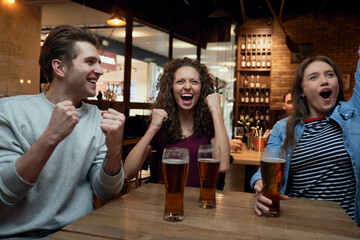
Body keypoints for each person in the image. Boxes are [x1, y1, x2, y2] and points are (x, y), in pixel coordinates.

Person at [0, 25, 125, 238]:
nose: (100, 70)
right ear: (59, 68)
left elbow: (105, 191)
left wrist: (114, 152)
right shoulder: (11, 111)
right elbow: (4, 193)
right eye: (89, 62)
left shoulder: (97, 117)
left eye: (99, 62)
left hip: (79, 232)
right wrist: (51, 136)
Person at [251, 54, 360, 225]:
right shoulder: (283, 127)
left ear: (337, 84)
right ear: (301, 91)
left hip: (346, 227)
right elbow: (266, 167)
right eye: (314, 77)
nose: (324, 81)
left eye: (330, 75)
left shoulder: (353, 114)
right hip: (297, 224)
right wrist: (261, 187)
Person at [124, 57, 230, 188]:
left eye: (194, 82)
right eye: (180, 81)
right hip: (165, 200)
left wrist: (216, 111)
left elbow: (223, 166)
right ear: (171, 88)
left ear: (201, 89)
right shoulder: (161, 125)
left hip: (199, 203)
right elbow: (127, 172)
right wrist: (153, 128)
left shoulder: (209, 124)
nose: (187, 86)